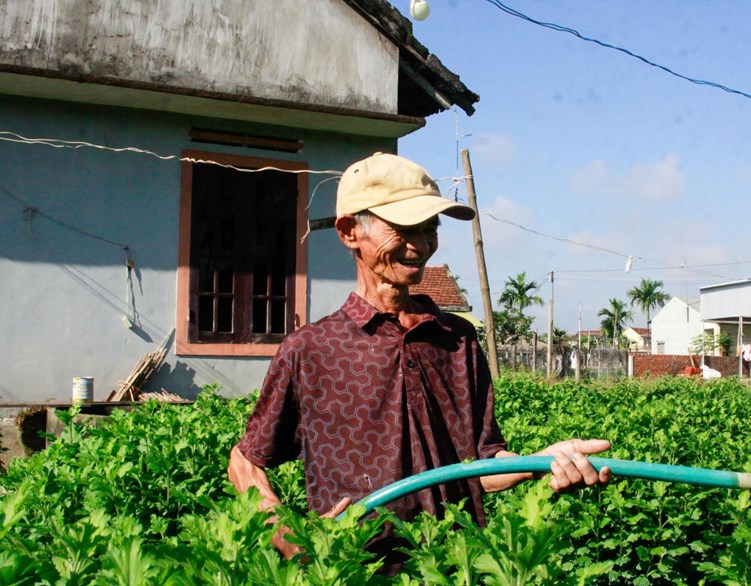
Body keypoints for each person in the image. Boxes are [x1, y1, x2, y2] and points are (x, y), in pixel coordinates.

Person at [228, 152, 611, 564]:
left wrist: (542, 463)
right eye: (404, 228)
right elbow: (245, 461)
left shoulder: (456, 339)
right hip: (351, 580)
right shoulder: (311, 350)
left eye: (430, 229)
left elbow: (482, 464)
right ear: (349, 231)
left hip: (456, 573)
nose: (421, 245)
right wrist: (282, 528)